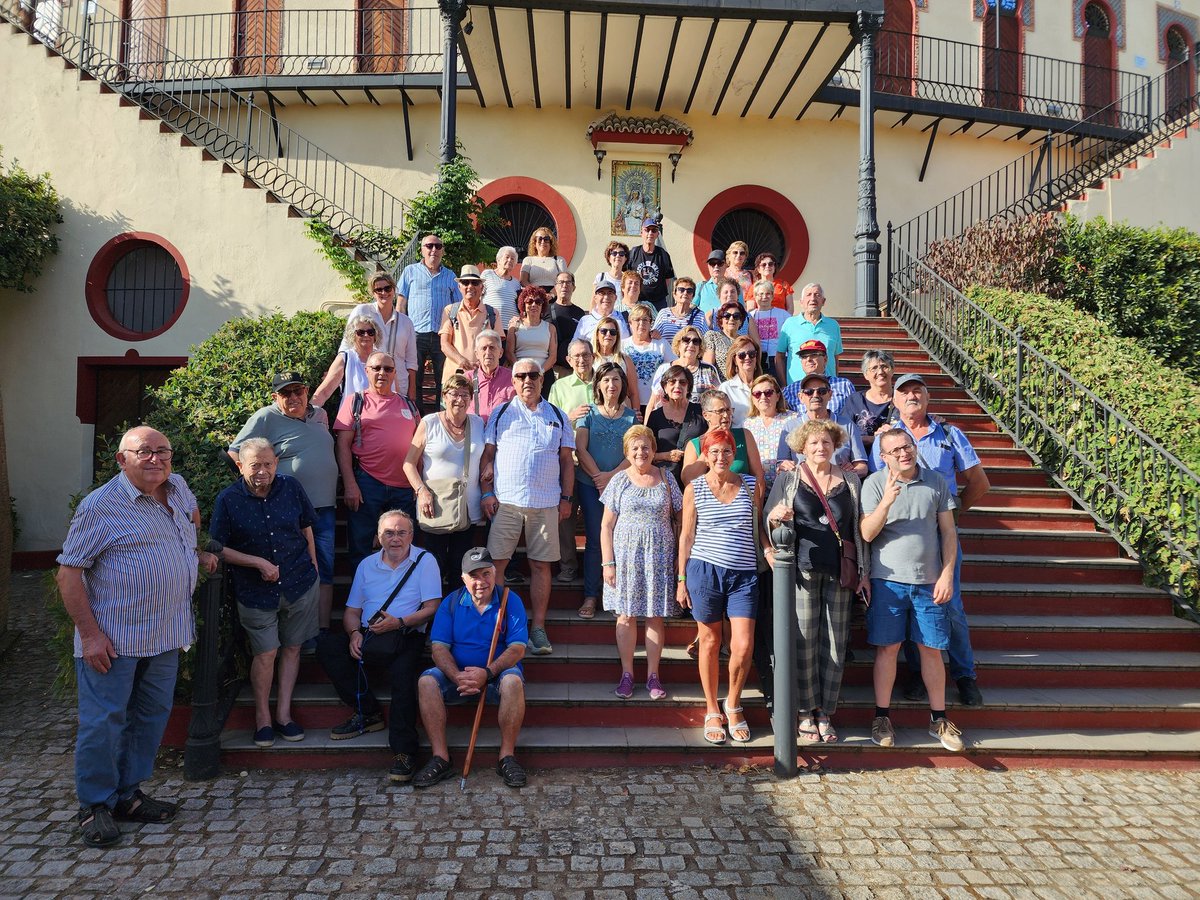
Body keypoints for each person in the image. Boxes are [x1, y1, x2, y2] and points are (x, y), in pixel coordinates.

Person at [56, 426, 218, 848]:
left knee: (149, 718)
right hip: (114, 639)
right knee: (104, 723)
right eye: (143, 452)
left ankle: (128, 795)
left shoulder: (178, 487)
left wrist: (192, 552)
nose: (156, 459)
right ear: (121, 459)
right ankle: (94, 805)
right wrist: (90, 636)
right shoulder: (100, 507)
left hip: (167, 633)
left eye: (162, 451)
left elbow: (192, 520)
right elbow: (69, 574)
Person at [870, 373, 991, 707]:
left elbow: (980, 482)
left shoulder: (949, 434)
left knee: (950, 606)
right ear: (893, 400)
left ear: (927, 396)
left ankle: (965, 675)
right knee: (910, 607)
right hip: (898, 535)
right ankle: (917, 676)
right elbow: (875, 482)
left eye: (918, 390)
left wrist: (952, 514)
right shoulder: (886, 439)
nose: (911, 396)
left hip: (939, 532)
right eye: (904, 391)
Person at [315, 511, 443, 783]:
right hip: (370, 635)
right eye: (389, 533)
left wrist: (399, 622)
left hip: (406, 632)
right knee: (326, 647)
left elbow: (432, 608)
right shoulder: (366, 565)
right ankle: (367, 711)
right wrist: (352, 634)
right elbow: (351, 611)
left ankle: (404, 752)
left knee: (404, 677)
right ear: (378, 536)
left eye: (401, 532)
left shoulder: (425, 560)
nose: (395, 539)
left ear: (411, 535)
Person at [765, 420, 869, 745]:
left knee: (837, 644)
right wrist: (775, 520)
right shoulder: (789, 478)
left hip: (841, 570)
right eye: (813, 443)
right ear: (802, 447)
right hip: (803, 569)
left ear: (835, 444)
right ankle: (806, 710)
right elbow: (768, 518)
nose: (820, 448)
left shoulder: (851, 480)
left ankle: (826, 709)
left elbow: (858, 528)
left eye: (825, 442)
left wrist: (864, 572)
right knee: (805, 640)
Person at [860, 429, 965, 752]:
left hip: (928, 581)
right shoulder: (875, 484)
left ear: (915, 447)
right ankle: (882, 718)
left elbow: (948, 533)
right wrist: (888, 501)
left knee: (931, 649)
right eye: (895, 451)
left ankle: (939, 719)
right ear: (884, 457)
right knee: (887, 649)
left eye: (907, 447)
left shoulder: (935, 481)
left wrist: (947, 574)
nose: (903, 453)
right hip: (887, 581)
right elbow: (866, 533)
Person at [210, 439, 319, 748]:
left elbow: (306, 526)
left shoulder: (291, 487)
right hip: (255, 591)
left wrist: (314, 564)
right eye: (255, 465)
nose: (263, 471)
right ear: (241, 466)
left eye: (268, 464)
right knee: (266, 651)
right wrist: (256, 562)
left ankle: (284, 715)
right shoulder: (228, 499)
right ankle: (263, 718)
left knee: (293, 648)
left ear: (276, 463)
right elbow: (217, 547)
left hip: (299, 582)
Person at [229, 371, 338, 632]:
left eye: (297, 390)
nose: (293, 397)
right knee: (298, 570)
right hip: (291, 511)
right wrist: (260, 485)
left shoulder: (319, 415)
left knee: (324, 568)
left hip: (324, 508)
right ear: (275, 396)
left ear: (307, 391)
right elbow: (235, 452)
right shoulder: (266, 416)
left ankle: (319, 631)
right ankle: (300, 636)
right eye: (285, 393)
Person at [480, 359, 576, 656]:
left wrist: (566, 499)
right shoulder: (500, 414)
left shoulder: (558, 416)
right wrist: (485, 493)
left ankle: (538, 628)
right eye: (520, 375)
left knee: (540, 566)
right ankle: (493, 625)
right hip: (506, 501)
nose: (526, 380)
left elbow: (566, 462)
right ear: (514, 381)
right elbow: (487, 457)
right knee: (497, 564)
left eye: (533, 375)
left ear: (541, 378)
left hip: (546, 502)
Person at [413, 548, 529, 789]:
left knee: (513, 682)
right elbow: (439, 649)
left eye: (486, 574)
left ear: (495, 574)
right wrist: (457, 676)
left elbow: (517, 648)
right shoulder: (451, 602)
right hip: (458, 676)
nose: (481, 582)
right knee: (426, 681)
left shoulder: (509, 600)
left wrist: (486, 673)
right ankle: (441, 758)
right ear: (463, 578)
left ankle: (506, 757)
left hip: (496, 674)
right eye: (474, 576)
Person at [677, 429, 764, 745]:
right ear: (705, 455)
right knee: (711, 640)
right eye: (714, 452)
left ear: (734, 454)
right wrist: (682, 579)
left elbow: (760, 528)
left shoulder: (752, 485)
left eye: (726, 451)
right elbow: (686, 536)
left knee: (742, 643)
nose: (720, 457)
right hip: (704, 571)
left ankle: (734, 702)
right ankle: (713, 707)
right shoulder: (694, 488)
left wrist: (768, 547)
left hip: (743, 573)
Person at [600, 425, 683, 700]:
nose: (641, 452)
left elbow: (682, 520)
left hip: (659, 556)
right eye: (634, 448)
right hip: (625, 558)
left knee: (654, 615)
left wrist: (679, 559)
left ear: (654, 450)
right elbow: (606, 526)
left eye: (645, 446)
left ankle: (653, 676)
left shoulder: (667, 479)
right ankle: (626, 675)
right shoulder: (619, 480)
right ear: (627, 452)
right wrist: (607, 563)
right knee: (625, 614)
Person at [334, 351, 420, 572]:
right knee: (361, 547)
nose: (382, 373)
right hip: (368, 484)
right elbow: (342, 445)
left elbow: (421, 446)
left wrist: (418, 484)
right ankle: (360, 602)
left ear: (394, 374)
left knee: (405, 548)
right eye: (377, 368)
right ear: (367, 371)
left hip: (404, 488)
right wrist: (350, 484)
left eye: (388, 369)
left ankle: (399, 598)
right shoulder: (355, 401)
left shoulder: (409, 404)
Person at [402, 374, 486, 587]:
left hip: (468, 508)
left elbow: (487, 457)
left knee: (461, 568)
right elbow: (409, 463)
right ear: (444, 397)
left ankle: (456, 615)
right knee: (434, 566)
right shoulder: (429, 422)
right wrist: (421, 491)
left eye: (465, 394)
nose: (459, 399)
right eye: (454, 394)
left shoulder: (478, 423)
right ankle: (432, 616)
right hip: (436, 506)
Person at [574, 362, 637, 620]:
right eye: (607, 380)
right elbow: (580, 448)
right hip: (590, 485)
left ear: (623, 385)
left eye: (616, 380)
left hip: (622, 485)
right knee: (594, 539)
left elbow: (634, 452)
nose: (612, 385)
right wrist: (599, 478)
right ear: (598, 384)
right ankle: (591, 595)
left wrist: (611, 477)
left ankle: (617, 595)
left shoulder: (631, 416)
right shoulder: (588, 413)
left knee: (621, 540)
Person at [547, 339, 596, 584]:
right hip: (568, 460)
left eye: (585, 355)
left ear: (593, 356)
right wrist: (571, 416)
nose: (581, 360)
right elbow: (551, 422)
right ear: (568, 360)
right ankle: (568, 565)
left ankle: (593, 566)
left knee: (593, 517)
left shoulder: (604, 382)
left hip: (596, 463)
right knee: (565, 516)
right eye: (576, 356)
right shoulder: (560, 386)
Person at [397, 233, 462, 413]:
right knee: (414, 379)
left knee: (444, 379)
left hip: (442, 335)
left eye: (438, 246)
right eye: (429, 246)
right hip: (415, 334)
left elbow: (458, 307)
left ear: (442, 251)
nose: (434, 250)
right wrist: (399, 332)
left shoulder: (450, 276)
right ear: (422, 250)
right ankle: (416, 417)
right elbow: (401, 304)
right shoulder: (410, 271)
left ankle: (442, 416)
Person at [340, 271, 419, 399]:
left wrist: (412, 395)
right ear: (373, 293)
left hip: (399, 387)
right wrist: (336, 372)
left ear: (394, 290)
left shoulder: (406, 322)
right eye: (378, 289)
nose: (384, 293)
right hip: (367, 383)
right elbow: (346, 345)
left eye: (387, 288)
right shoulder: (362, 311)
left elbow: (411, 362)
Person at [679, 390, 766, 493]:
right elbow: (688, 480)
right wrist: (706, 447)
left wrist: (757, 507)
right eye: (720, 411)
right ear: (706, 415)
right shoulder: (695, 444)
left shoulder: (745, 436)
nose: (726, 415)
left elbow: (758, 477)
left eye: (728, 410)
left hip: (742, 503)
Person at [788, 372, 868, 477]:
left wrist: (846, 474)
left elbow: (862, 467)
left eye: (822, 391)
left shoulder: (847, 425)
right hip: (802, 488)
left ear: (830, 395)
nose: (815, 395)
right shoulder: (790, 427)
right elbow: (782, 465)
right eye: (809, 392)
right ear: (801, 397)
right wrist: (785, 466)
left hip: (839, 487)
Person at [646, 365, 706, 487]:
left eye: (683, 382)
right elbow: (646, 452)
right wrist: (666, 456)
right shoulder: (655, 416)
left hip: (696, 479)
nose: (677, 386)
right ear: (665, 387)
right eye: (672, 381)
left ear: (688, 387)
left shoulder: (702, 412)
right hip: (664, 481)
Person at [439, 264, 499, 382]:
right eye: (466, 283)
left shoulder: (493, 313)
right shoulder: (450, 311)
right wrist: (462, 361)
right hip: (454, 376)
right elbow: (444, 344)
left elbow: (497, 346)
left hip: (484, 377)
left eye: (475, 283)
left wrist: (481, 362)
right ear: (459, 287)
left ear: (482, 287)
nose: (470, 286)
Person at [742, 374, 800, 495]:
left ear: (778, 396)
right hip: (758, 488)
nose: (763, 397)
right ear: (752, 399)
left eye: (768, 392)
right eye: (757, 394)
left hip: (788, 486)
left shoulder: (793, 419)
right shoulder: (747, 424)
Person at [645, 325, 721, 414]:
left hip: (701, 422)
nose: (691, 344)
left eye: (696, 341)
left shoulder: (709, 369)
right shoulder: (665, 369)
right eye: (686, 340)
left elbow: (719, 399)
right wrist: (646, 426)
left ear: (700, 347)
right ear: (678, 344)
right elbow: (653, 402)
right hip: (669, 421)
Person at [776, 283, 843, 382]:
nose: (813, 298)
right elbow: (779, 356)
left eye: (817, 295)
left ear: (823, 301)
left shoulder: (833, 326)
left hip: (827, 388)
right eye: (808, 295)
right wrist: (784, 385)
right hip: (796, 389)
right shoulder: (790, 324)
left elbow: (835, 358)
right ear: (801, 302)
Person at [312, 314, 380, 407]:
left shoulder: (384, 359)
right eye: (360, 332)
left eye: (370, 332)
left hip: (384, 417)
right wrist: (308, 415)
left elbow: (396, 392)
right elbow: (324, 392)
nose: (366, 335)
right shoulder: (345, 358)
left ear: (375, 335)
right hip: (353, 418)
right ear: (353, 335)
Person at [782, 340, 856, 417]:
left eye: (813, 355)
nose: (808, 359)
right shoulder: (790, 390)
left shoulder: (844, 385)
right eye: (804, 356)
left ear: (825, 359)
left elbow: (855, 413)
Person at [505, 285, 557, 394]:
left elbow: (553, 356)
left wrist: (540, 372)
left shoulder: (550, 328)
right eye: (529, 301)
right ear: (523, 304)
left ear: (542, 305)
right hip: (520, 375)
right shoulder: (515, 326)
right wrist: (521, 371)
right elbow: (509, 352)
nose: (534, 305)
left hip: (544, 374)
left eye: (538, 302)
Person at [624, 302, 675, 412]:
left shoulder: (661, 344)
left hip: (657, 404)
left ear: (651, 323)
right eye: (637, 320)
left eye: (645, 320)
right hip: (629, 403)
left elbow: (675, 367)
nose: (641, 323)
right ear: (630, 323)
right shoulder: (623, 345)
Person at [841, 349, 896, 450]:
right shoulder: (855, 401)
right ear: (865, 375)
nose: (880, 372)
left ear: (892, 370)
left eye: (884, 366)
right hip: (863, 458)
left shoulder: (902, 399)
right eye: (874, 368)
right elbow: (843, 435)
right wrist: (875, 439)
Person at [590, 314, 641, 409]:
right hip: (597, 410)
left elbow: (633, 392)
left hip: (622, 411)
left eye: (613, 332)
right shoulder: (590, 359)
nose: (608, 335)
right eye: (604, 331)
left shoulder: (625, 360)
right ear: (597, 335)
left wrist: (636, 414)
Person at [464, 329, 516, 421]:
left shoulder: (513, 378)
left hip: (503, 430)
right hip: (474, 431)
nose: (488, 352)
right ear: (476, 353)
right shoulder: (466, 379)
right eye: (484, 348)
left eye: (492, 348)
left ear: (500, 353)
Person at [625, 217, 674, 310]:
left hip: (658, 303)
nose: (650, 233)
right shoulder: (633, 253)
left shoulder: (663, 255)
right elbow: (626, 276)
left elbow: (667, 279)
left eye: (654, 230)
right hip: (637, 301)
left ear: (657, 234)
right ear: (641, 233)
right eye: (647, 230)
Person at [747, 280, 790, 381]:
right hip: (758, 358)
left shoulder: (783, 315)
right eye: (760, 294)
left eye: (768, 294)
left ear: (772, 295)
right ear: (755, 296)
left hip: (777, 359)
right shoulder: (750, 316)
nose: (764, 297)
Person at [718, 334, 763, 428]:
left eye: (752, 354)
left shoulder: (766, 386)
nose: (747, 358)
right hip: (738, 438)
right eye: (742, 355)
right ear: (735, 360)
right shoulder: (726, 388)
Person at [704, 301, 759, 376]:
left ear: (740, 321)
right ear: (721, 321)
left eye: (736, 316)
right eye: (727, 316)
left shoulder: (745, 341)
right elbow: (708, 368)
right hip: (719, 384)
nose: (731, 319)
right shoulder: (712, 336)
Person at [547, 271, 584, 379]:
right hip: (551, 367)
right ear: (555, 286)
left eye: (568, 282)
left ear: (574, 287)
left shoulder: (580, 313)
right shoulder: (545, 310)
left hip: (573, 368)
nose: (564, 286)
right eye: (561, 282)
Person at [652, 277, 707, 343]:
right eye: (681, 290)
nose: (685, 293)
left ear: (693, 296)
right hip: (666, 352)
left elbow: (706, 340)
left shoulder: (699, 315)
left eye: (689, 291)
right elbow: (654, 335)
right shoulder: (664, 313)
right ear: (674, 294)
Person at [482, 245, 520, 330]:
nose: (510, 260)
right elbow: (479, 296)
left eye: (513, 259)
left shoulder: (516, 283)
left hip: (509, 327)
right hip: (490, 324)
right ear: (498, 260)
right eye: (507, 257)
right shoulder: (487, 274)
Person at [696, 249, 738, 320]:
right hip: (705, 328)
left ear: (726, 265)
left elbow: (741, 309)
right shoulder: (700, 286)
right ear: (708, 266)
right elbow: (692, 307)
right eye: (712, 263)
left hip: (728, 326)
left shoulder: (734, 287)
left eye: (720, 263)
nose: (716, 266)